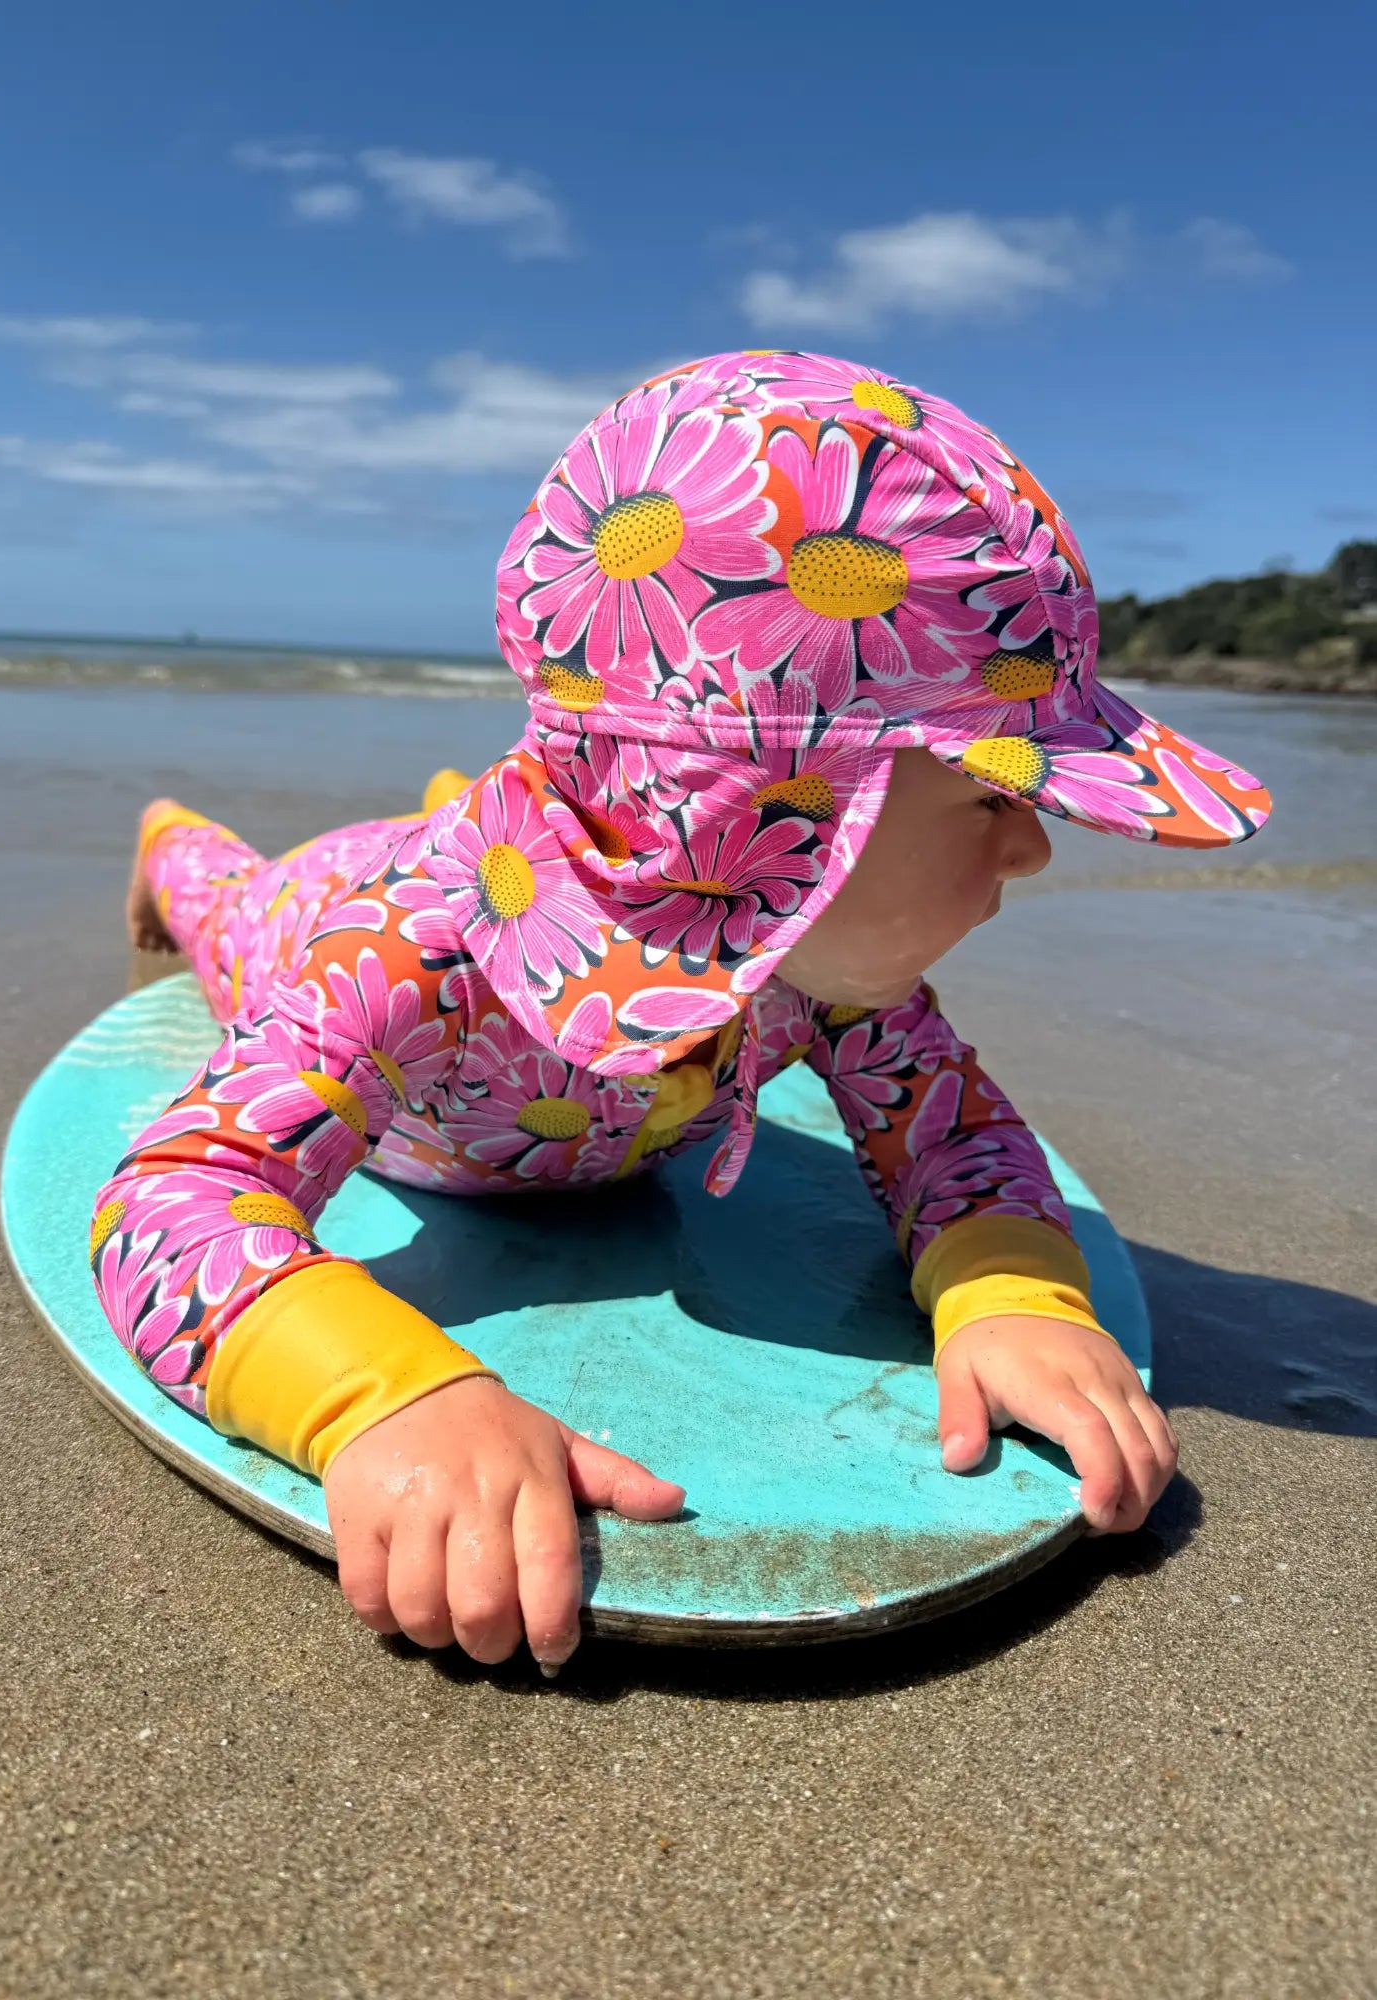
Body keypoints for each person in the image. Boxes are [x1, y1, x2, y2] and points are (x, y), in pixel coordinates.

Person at [92, 350, 1271, 1676]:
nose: (1035, 848)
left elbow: (955, 1136)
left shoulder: (818, 974)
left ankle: (481, 805)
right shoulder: (409, 961)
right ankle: (171, 839)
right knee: (225, 901)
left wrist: (1009, 1289)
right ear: (764, 818)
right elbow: (173, 1198)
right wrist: (381, 1400)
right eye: (995, 796)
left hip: (596, 894)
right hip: (317, 911)